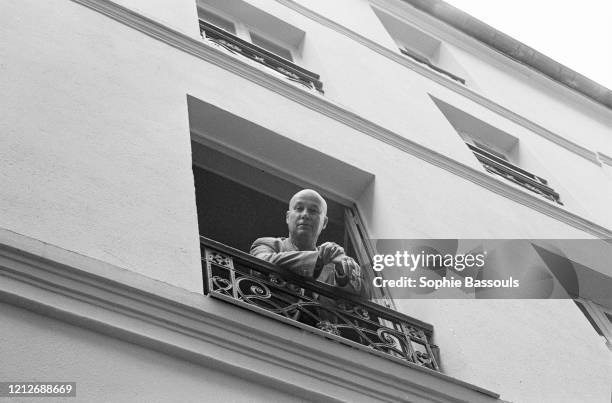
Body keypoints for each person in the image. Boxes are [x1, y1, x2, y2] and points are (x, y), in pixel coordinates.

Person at [250, 189, 366, 298]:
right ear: (288, 217)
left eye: (313, 210)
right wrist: (318, 259)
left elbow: (365, 296)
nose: (305, 214)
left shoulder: (332, 264)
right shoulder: (266, 244)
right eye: (299, 208)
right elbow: (259, 264)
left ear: (324, 222)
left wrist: (342, 274)